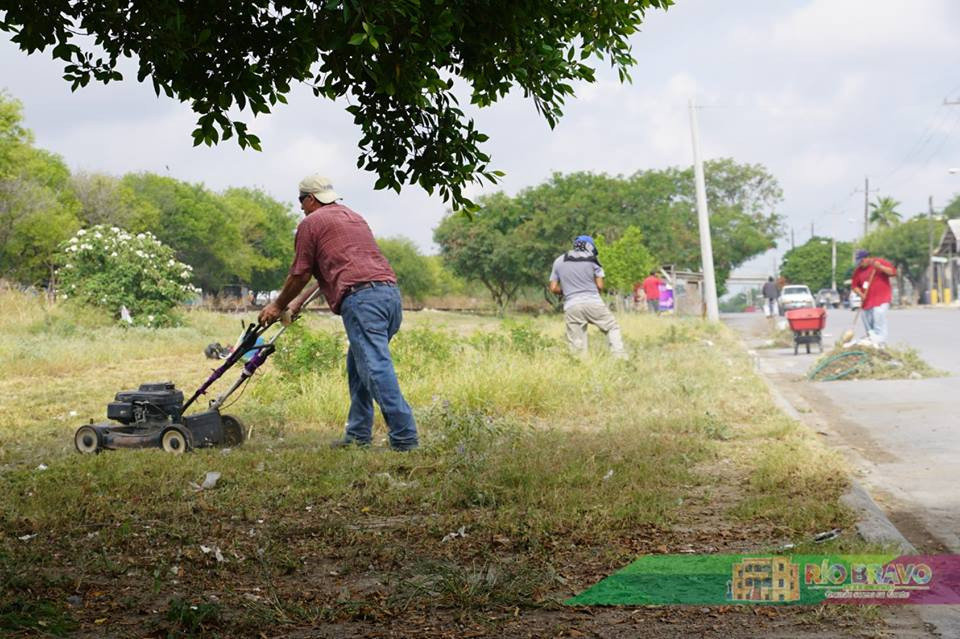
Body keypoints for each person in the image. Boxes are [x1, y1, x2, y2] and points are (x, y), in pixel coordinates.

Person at [258, 174, 418, 451]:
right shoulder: (352, 217)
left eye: (301, 201)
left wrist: (276, 305)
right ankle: (357, 435)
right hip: (389, 296)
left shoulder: (311, 223)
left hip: (363, 301)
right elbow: (336, 271)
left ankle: (405, 438)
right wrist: (295, 304)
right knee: (358, 365)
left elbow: (300, 273)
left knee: (375, 368)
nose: (300, 208)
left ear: (310, 199)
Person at [548, 235, 627, 359]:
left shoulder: (559, 260)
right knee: (612, 327)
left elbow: (553, 288)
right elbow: (600, 286)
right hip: (593, 301)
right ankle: (620, 359)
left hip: (572, 305)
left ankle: (579, 366)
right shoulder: (593, 259)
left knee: (576, 341)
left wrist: (566, 291)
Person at [851, 249, 896, 346]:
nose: (860, 264)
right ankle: (871, 339)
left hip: (881, 299)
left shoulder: (879, 262)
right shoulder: (858, 271)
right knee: (866, 319)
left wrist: (880, 267)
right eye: (859, 262)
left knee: (878, 316)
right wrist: (861, 294)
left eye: (861, 261)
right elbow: (854, 286)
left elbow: (892, 272)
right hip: (867, 301)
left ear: (867, 258)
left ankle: (880, 342)